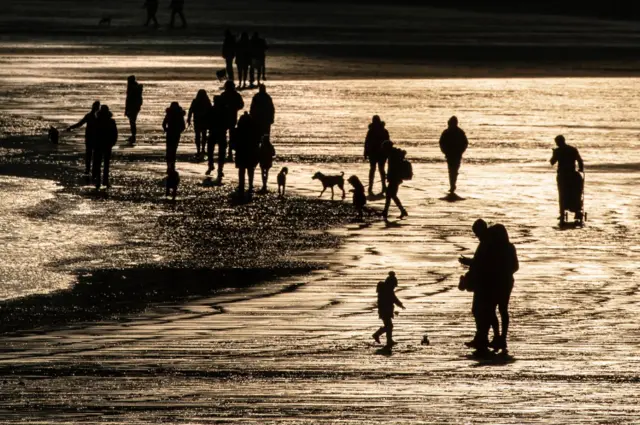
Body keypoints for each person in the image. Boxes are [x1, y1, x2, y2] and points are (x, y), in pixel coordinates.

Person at [459, 219, 500, 351]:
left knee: (480, 311)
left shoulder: (486, 243)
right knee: (485, 311)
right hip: (487, 282)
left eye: (476, 233)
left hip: (485, 283)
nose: (476, 236)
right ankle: (484, 337)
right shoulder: (488, 242)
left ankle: (483, 338)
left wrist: (468, 262)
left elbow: (482, 263)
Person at [483, 224, 519, 354]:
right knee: (501, 309)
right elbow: (516, 267)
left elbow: (515, 266)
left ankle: (499, 336)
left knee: (495, 309)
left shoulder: (495, 248)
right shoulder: (509, 248)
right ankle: (500, 337)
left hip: (499, 282)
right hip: (506, 281)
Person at [550, 135, 584, 221]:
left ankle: (562, 213)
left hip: (563, 175)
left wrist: (554, 153)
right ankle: (577, 211)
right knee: (575, 193)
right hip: (572, 174)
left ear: (558, 142)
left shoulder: (558, 151)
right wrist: (580, 169)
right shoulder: (572, 149)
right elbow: (580, 160)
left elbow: (552, 162)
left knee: (562, 194)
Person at [66, 100, 100, 175]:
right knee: (94, 155)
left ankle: (88, 169)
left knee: (89, 154)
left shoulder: (89, 116)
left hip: (90, 138)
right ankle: (93, 170)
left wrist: (71, 127)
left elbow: (80, 124)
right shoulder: (97, 117)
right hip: (95, 138)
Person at [372, 271, 405, 347]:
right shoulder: (387, 290)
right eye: (394, 285)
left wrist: (400, 305)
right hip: (385, 310)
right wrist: (401, 305)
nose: (394, 287)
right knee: (389, 326)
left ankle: (388, 340)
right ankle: (377, 335)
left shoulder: (384, 289)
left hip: (385, 310)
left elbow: (393, 299)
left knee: (389, 325)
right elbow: (394, 299)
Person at [439, 116, 469, 194]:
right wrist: (445, 151)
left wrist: (461, 151)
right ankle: (452, 185)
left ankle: (452, 185)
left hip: (456, 154)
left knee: (453, 170)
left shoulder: (458, 132)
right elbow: (441, 142)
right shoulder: (448, 132)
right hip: (450, 154)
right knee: (452, 170)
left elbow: (465, 143)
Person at [232, 111, 260, 196]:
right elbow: (257, 142)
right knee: (250, 169)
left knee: (242, 170)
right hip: (250, 152)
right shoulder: (253, 131)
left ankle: (241, 185)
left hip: (241, 152)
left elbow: (233, 144)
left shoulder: (238, 130)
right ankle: (250, 185)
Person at [381, 140, 408, 221]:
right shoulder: (394, 154)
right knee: (390, 195)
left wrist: (389, 176)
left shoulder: (393, 155)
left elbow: (393, 168)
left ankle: (402, 211)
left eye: (384, 148)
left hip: (394, 178)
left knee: (391, 195)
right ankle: (386, 211)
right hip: (395, 178)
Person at [93, 105, 118, 190]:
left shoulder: (96, 121)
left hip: (98, 145)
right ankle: (105, 181)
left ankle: (98, 181)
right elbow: (115, 134)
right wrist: (112, 143)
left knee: (98, 164)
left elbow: (93, 133)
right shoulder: (111, 121)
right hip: (107, 145)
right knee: (106, 164)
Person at [219, 80, 245, 161]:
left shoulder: (224, 95)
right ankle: (229, 152)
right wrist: (234, 108)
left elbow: (218, 105)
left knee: (224, 136)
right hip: (232, 118)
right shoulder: (236, 95)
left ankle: (224, 152)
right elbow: (241, 105)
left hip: (224, 118)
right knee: (231, 135)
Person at [363, 115, 389, 195]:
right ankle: (378, 187)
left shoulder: (373, 131)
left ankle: (374, 187)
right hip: (377, 153)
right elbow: (388, 143)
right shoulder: (383, 131)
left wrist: (365, 152)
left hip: (376, 153)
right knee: (379, 170)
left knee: (375, 170)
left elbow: (367, 142)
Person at [187, 89, 212, 159]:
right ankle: (202, 149)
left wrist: (189, 119)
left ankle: (199, 149)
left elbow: (191, 110)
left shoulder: (195, 101)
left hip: (197, 120)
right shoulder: (207, 101)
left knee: (198, 136)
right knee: (203, 135)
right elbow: (211, 111)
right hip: (204, 121)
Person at [162, 102, 186, 173]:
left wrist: (166, 129)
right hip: (176, 133)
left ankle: (169, 164)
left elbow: (164, 123)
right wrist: (179, 131)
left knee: (169, 148)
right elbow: (183, 126)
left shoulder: (169, 113)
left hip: (170, 133)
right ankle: (172, 163)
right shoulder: (180, 114)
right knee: (174, 148)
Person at [125, 75, 143, 144]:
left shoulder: (133, 88)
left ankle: (133, 136)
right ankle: (133, 136)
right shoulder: (135, 88)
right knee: (132, 122)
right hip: (134, 107)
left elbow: (129, 99)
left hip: (133, 108)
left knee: (132, 122)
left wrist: (128, 109)